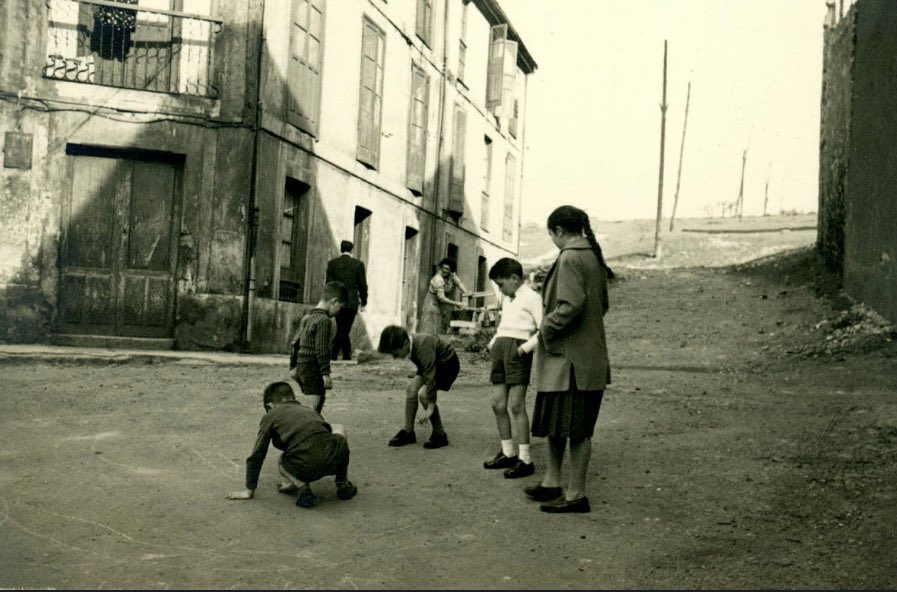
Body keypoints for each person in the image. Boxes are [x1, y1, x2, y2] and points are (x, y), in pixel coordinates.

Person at [524, 205, 615, 514]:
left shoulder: (570, 257)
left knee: (575, 429)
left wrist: (545, 330)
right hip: (581, 360)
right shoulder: (591, 256)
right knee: (558, 424)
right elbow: (601, 306)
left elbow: (570, 305)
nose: (552, 239)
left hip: (569, 363)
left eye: (551, 234)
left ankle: (575, 494)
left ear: (559, 232)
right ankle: (552, 482)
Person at [225, 379, 357, 509]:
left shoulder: (271, 415)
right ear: (292, 398)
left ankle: (302, 487)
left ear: (269, 405)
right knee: (339, 428)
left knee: (282, 460)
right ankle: (342, 483)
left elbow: (258, 454)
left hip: (308, 467)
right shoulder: (309, 410)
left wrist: (249, 490)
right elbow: (321, 435)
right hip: (336, 459)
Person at [482, 257, 543, 479]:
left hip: (518, 350)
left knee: (516, 405)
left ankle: (525, 459)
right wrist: (492, 344)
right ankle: (508, 453)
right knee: (497, 403)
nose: (500, 290)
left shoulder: (533, 298)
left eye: (501, 284)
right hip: (500, 349)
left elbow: (544, 329)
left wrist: (525, 349)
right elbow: (503, 326)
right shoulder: (508, 299)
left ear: (515, 278)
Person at [377, 325, 460, 449]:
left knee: (424, 395)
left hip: (447, 365)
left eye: (395, 353)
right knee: (411, 390)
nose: (395, 357)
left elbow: (430, 378)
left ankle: (440, 434)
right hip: (431, 364)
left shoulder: (422, 345)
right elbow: (426, 367)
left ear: (405, 343)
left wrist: (430, 406)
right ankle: (408, 432)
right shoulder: (411, 344)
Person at [289, 281, 349, 415]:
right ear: (334, 301)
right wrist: (325, 373)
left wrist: (292, 366)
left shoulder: (307, 317)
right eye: (340, 307)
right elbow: (321, 349)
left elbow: (295, 342)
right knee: (313, 410)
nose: (339, 312)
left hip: (301, 367)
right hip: (313, 368)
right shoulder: (324, 320)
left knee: (311, 405)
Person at [325, 240, 369, 361]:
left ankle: (346, 354)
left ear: (341, 249)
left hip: (337, 301)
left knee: (342, 327)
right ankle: (332, 352)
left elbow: (329, 284)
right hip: (351, 302)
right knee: (345, 328)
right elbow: (362, 285)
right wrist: (364, 301)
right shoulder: (358, 264)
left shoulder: (332, 264)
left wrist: (330, 300)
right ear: (351, 250)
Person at [420, 258, 469, 334]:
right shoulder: (438, 279)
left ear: (451, 270)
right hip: (432, 305)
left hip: (441, 306)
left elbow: (458, 283)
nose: (444, 270)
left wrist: (466, 292)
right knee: (430, 329)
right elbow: (442, 298)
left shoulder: (451, 275)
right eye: (443, 268)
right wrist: (457, 304)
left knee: (440, 328)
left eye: (447, 269)